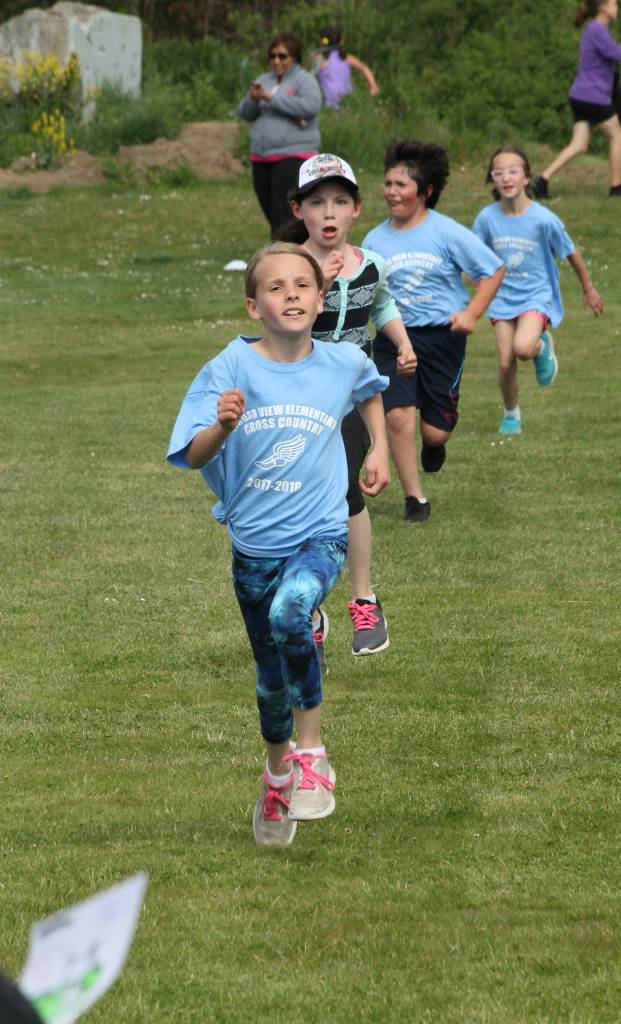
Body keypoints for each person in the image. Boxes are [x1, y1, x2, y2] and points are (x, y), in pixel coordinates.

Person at [167, 243, 390, 848]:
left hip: (319, 533)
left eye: (302, 285)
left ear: (321, 300)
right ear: (253, 305)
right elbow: (191, 455)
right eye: (275, 287)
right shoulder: (228, 370)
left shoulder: (341, 361)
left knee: (292, 612)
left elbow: (371, 389)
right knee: (270, 678)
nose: (291, 294)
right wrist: (222, 424)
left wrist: (380, 447)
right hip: (254, 546)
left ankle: (313, 754)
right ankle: (275, 773)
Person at [281, 153, 417, 658]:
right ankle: (310, 605)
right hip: (294, 400)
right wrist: (312, 279)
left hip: (351, 403)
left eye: (340, 201)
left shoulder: (372, 264)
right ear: (300, 210)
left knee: (343, 492)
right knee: (296, 501)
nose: (329, 212)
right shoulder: (287, 265)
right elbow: (277, 320)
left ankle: (364, 600)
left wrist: (400, 342)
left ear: (357, 209)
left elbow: (380, 304)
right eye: (317, 203)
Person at [361, 139, 504, 522]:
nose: (391, 192)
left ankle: (435, 444)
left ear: (424, 192)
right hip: (394, 338)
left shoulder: (446, 231)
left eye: (401, 185)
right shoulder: (374, 240)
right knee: (397, 417)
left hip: (443, 337)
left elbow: (493, 271)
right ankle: (415, 499)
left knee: (435, 433)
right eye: (388, 183)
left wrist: (472, 313)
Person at [473, 146, 604, 435]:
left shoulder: (543, 219)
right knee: (505, 363)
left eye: (513, 171)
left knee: (522, 349)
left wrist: (589, 289)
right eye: (498, 172)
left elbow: (570, 252)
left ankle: (540, 345)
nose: (506, 177)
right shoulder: (486, 218)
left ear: (526, 177)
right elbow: (474, 255)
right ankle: (511, 416)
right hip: (502, 297)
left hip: (536, 295)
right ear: (492, 179)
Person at [532, 0, 621, 199]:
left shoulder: (595, 29)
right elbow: (617, 54)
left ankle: (542, 181)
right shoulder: (597, 29)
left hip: (581, 95)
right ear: (603, 7)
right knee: (617, 136)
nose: (617, 7)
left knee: (579, 144)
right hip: (593, 97)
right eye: (614, 4)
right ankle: (616, 188)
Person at [238, 33, 322, 236]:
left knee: (285, 212)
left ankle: (286, 252)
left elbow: (310, 107)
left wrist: (270, 98)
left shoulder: (305, 81)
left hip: (293, 155)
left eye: (282, 56)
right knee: (271, 211)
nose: (276, 61)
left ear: (294, 57)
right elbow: (245, 112)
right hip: (262, 156)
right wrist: (253, 98)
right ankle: (284, 248)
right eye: (272, 56)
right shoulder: (263, 80)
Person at [309, 26, 379, 109]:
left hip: (329, 102)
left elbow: (309, 78)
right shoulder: (346, 58)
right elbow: (364, 68)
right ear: (341, 42)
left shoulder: (318, 58)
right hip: (348, 101)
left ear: (322, 41)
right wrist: (373, 85)